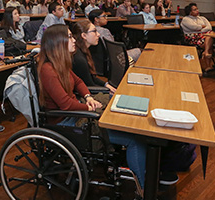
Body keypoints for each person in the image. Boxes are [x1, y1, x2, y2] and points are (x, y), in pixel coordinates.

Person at [39, 24, 148, 190]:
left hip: (74, 113)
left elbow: (79, 82)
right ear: (58, 42)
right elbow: (66, 104)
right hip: (65, 122)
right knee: (134, 139)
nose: (73, 39)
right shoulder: (48, 70)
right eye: (69, 37)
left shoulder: (60, 63)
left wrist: (88, 97)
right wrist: (89, 108)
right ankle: (144, 188)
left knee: (113, 111)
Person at [72, 19, 116, 94]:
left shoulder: (83, 50)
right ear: (84, 35)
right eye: (94, 31)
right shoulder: (79, 58)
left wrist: (106, 85)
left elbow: (91, 77)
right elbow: (89, 85)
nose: (98, 34)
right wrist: (107, 91)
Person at [181, 3, 214, 72]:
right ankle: (208, 63)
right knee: (209, 39)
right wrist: (202, 27)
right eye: (194, 10)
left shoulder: (202, 18)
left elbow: (209, 27)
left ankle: (206, 52)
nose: (197, 10)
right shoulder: (185, 19)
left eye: (197, 9)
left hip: (203, 36)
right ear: (190, 12)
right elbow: (194, 27)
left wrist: (201, 29)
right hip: (192, 38)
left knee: (211, 34)